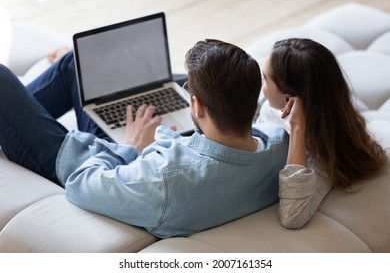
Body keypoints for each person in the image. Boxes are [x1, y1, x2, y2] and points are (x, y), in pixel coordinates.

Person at [0, 39, 288, 238]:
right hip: (147, 150)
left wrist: (130, 146)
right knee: (77, 63)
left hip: (74, 160)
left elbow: (79, 182)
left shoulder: (164, 181)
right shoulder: (280, 147)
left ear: (197, 106)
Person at [255, 38, 388, 229]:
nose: (261, 85)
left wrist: (297, 128)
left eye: (265, 79)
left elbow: (293, 215)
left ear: (287, 98)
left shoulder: (318, 155)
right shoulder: (271, 105)